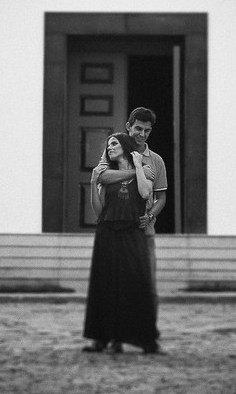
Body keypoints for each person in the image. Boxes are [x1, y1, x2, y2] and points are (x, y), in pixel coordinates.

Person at [82, 133, 160, 354]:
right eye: (108, 145)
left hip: (133, 232)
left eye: (114, 143)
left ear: (125, 146)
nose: (109, 148)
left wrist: (138, 165)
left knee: (137, 282)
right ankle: (103, 338)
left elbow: (145, 193)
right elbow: (99, 211)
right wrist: (93, 183)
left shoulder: (144, 171)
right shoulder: (107, 175)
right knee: (105, 285)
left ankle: (145, 339)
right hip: (107, 232)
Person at [97, 107, 167, 302]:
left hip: (143, 230)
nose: (142, 134)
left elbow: (161, 198)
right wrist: (137, 171)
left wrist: (150, 216)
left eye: (147, 130)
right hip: (115, 227)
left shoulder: (156, 161)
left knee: (146, 283)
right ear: (128, 126)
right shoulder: (113, 151)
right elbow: (101, 176)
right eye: (138, 129)